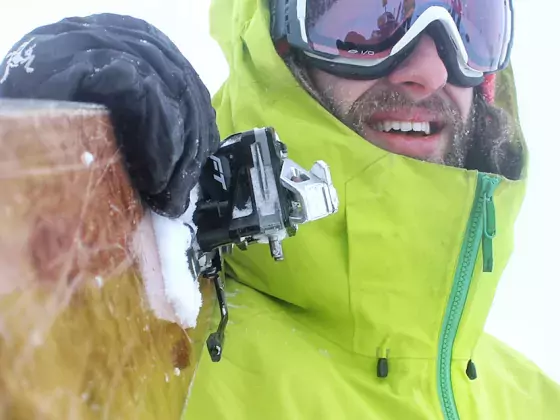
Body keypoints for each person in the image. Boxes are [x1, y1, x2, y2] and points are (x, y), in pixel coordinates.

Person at [1, 0, 559, 418]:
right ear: (276, 42)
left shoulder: (535, 400)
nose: (432, 69)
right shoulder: (152, 343)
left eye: (470, 23)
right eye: (370, 15)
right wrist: (42, 183)